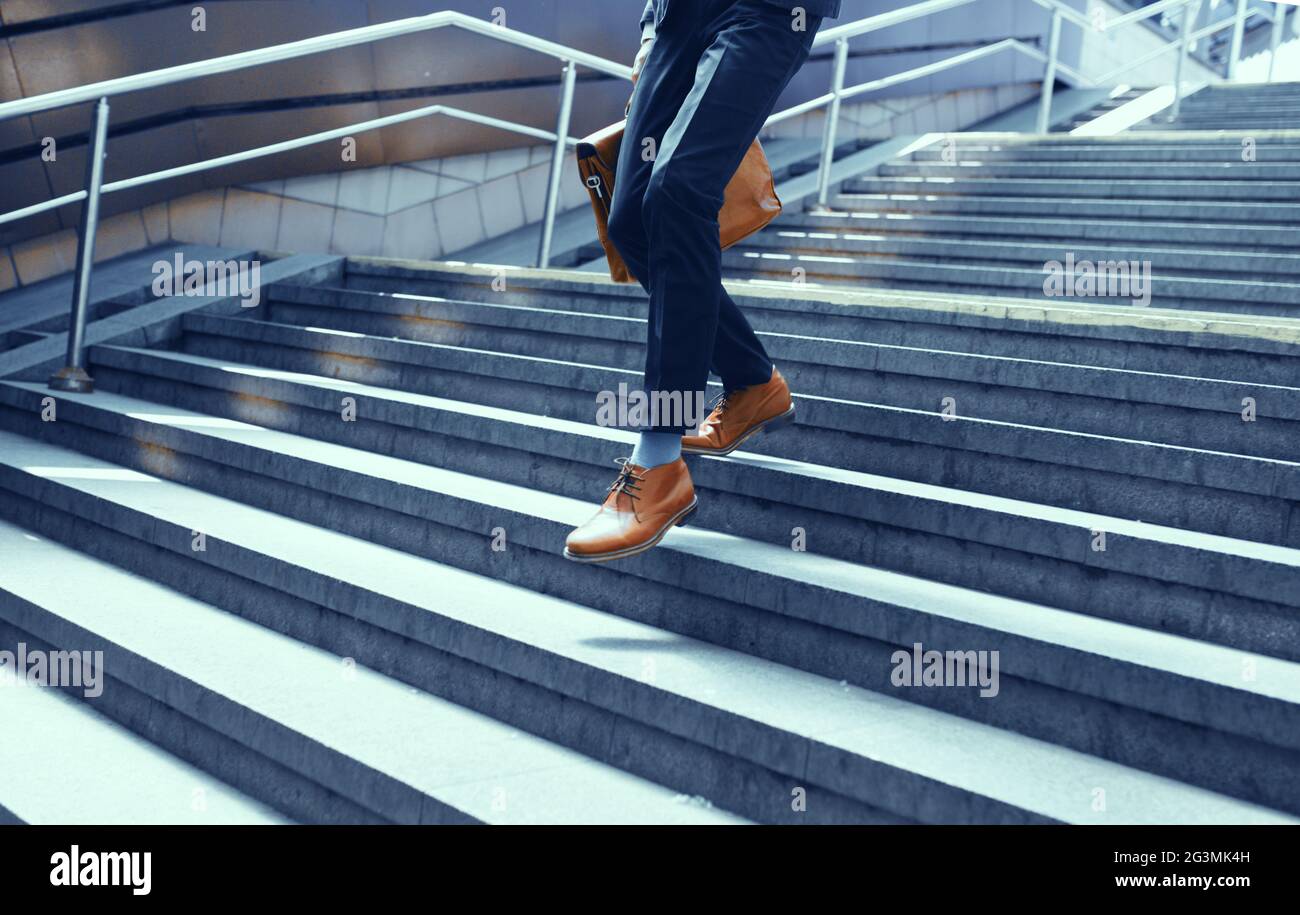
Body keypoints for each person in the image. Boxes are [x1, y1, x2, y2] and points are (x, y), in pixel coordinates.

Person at [564, 0, 841, 563]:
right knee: (631, 220)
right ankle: (753, 381)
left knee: (679, 191)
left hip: (767, 12)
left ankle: (659, 458)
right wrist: (649, 27)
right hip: (679, 14)